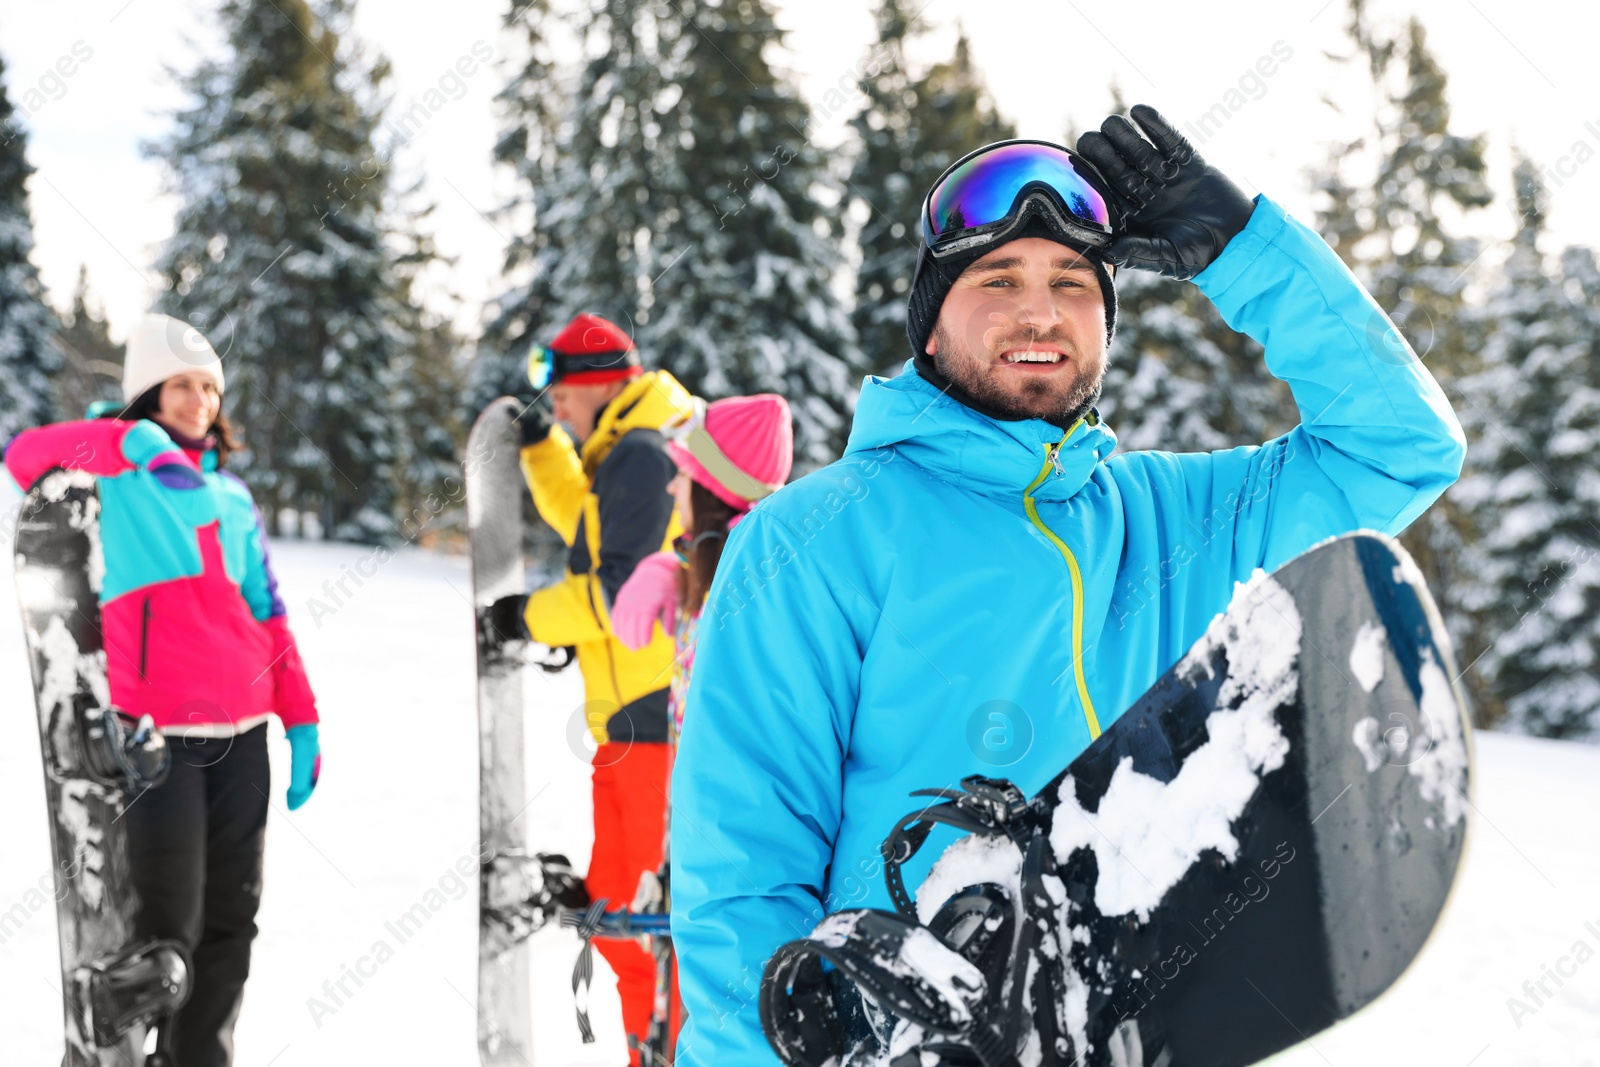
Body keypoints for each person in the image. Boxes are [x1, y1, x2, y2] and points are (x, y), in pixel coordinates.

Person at [670, 107, 1467, 1064]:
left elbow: (1401, 447)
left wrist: (1242, 249)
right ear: (930, 328)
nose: (1038, 312)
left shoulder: (1176, 518)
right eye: (996, 280)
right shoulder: (812, 538)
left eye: (1072, 284)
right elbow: (742, 883)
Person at [4, 313, 322, 1066]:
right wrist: (126, 443)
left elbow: (269, 613)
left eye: (209, 386)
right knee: (165, 921)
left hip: (243, 738)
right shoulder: (108, 470)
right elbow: (22, 458)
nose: (199, 399)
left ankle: (199, 1057)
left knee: (231, 921)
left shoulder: (233, 498)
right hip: (158, 737)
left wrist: (301, 717)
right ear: (147, 392)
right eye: (181, 384)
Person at [487, 312, 695, 1064]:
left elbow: (614, 588)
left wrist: (524, 616)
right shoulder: (630, 447)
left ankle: (664, 1053)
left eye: (562, 394)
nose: (560, 408)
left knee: (644, 929)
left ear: (599, 381)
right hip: (633, 721)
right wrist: (543, 447)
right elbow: (584, 519)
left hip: (653, 721)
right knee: (622, 903)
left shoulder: (642, 454)